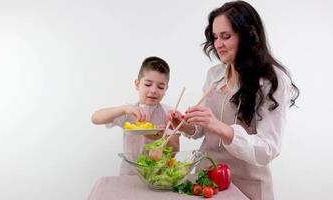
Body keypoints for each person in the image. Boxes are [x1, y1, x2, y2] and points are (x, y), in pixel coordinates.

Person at [169, 1, 299, 200]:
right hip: (207, 180)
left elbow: (268, 149)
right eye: (215, 37)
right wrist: (186, 125)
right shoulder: (214, 74)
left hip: (248, 184)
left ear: (248, 36)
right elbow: (204, 129)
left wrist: (222, 127)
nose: (218, 44)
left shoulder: (272, 80)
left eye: (226, 36)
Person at [91, 56, 180, 175]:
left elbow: (175, 149)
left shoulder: (169, 113)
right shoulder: (129, 111)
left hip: (159, 175)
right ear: (137, 84)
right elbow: (96, 118)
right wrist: (124, 109)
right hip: (129, 174)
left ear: (166, 89)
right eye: (148, 84)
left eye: (160, 87)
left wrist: (160, 138)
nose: (153, 90)